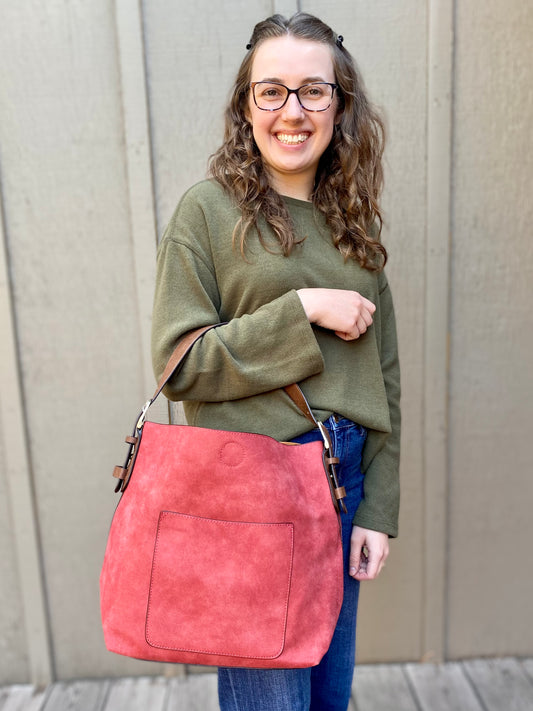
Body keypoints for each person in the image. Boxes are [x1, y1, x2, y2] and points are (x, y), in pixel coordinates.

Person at [151, 12, 400, 711]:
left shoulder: (354, 220)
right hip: (248, 491)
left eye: (313, 91)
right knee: (269, 701)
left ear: (339, 106)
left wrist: (377, 507)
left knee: (327, 694)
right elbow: (180, 364)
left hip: (340, 473)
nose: (292, 111)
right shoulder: (207, 212)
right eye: (271, 91)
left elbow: (384, 378)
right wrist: (303, 309)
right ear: (245, 105)